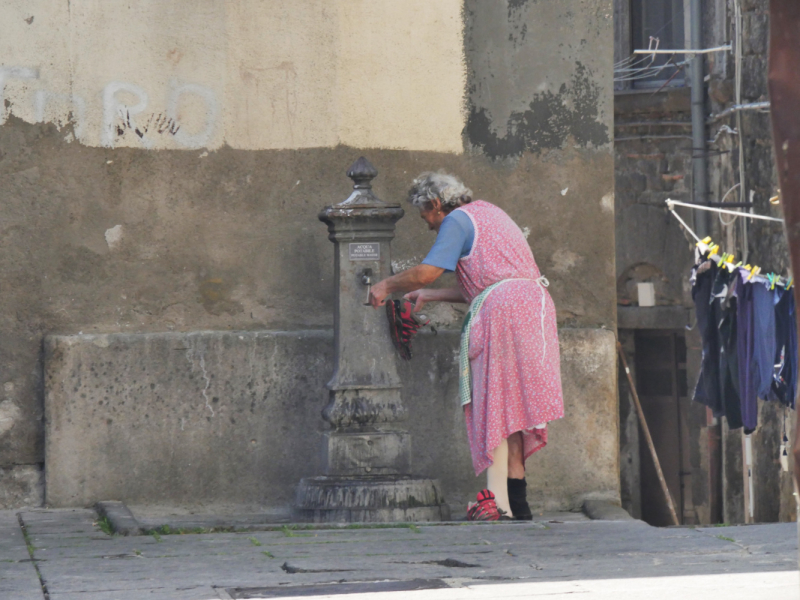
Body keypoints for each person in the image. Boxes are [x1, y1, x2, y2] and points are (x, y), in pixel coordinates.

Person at [368, 171, 565, 520]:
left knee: (495, 404)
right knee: (511, 410)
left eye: (426, 215)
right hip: (533, 306)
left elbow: (428, 270)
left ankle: (500, 505)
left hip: (505, 312)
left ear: (435, 204)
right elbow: (492, 283)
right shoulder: (491, 212)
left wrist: (386, 286)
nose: (428, 225)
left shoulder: (456, 220)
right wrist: (430, 295)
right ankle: (516, 506)